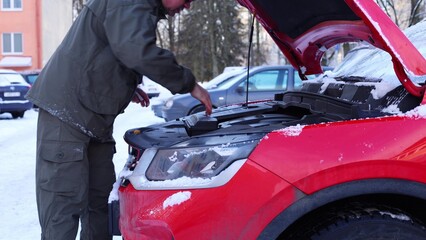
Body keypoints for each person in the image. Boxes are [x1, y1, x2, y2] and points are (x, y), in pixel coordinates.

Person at [25, 0, 212, 239]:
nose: (187, 6)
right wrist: (188, 83)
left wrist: (124, 85)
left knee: (100, 203)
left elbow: (111, 46)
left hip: (94, 118)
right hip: (68, 113)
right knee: (63, 207)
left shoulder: (140, 6)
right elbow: (135, 49)